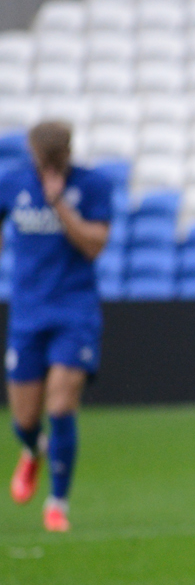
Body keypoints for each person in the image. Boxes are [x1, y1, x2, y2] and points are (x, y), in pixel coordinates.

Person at [3, 121, 112, 534]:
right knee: (24, 419)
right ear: (32, 154)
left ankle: (57, 503)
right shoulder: (12, 183)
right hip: (28, 312)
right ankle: (34, 450)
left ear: (67, 154)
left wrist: (60, 207)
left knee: (61, 405)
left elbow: (94, 245)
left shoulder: (93, 186)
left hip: (74, 310)